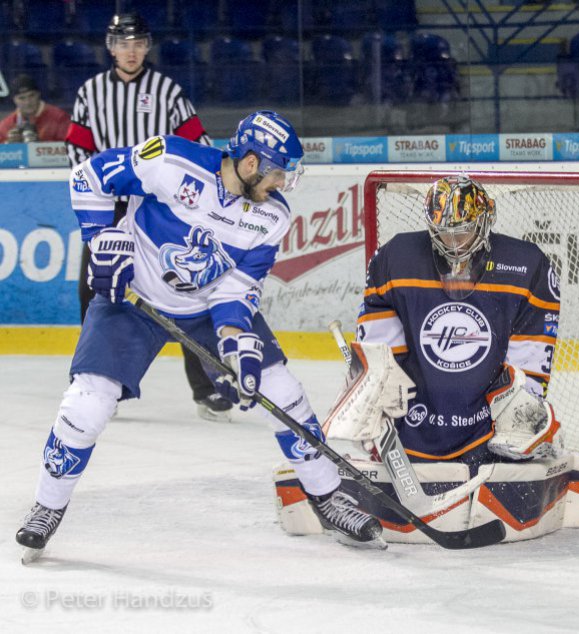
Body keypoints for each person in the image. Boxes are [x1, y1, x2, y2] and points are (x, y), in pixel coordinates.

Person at [14, 111, 384, 559]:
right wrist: (100, 239)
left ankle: (326, 497)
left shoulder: (271, 217)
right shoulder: (171, 161)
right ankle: (47, 507)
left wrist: (234, 339)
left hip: (207, 309)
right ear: (251, 163)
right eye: (278, 172)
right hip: (133, 300)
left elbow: (238, 287)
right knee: (88, 402)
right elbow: (88, 177)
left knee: (281, 390)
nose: (282, 183)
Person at [65, 12, 229, 422]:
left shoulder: (168, 91)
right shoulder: (90, 92)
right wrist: (101, 192)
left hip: (162, 207)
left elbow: (200, 143)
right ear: (110, 46)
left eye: (138, 42)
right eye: (123, 43)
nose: (131, 50)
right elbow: (77, 152)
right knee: (98, 288)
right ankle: (102, 378)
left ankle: (206, 388)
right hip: (112, 206)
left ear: (147, 46)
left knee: (188, 288)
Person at [350, 174, 564, 471]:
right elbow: (378, 328)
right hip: (417, 422)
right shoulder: (394, 259)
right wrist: (376, 382)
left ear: (485, 222)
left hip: (485, 429)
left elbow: (531, 349)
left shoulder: (526, 266)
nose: (452, 244)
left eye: (462, 232)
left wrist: (520, 407)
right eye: (442, 233)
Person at [0, 74, 70, 143]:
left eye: (31, 96)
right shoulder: (6, 125)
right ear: (14, 100)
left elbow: (72, 147)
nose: (27, 102)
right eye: (21, 98)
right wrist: (8, 144)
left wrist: (39, 146)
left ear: (38, 94)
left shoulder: (60, 118)